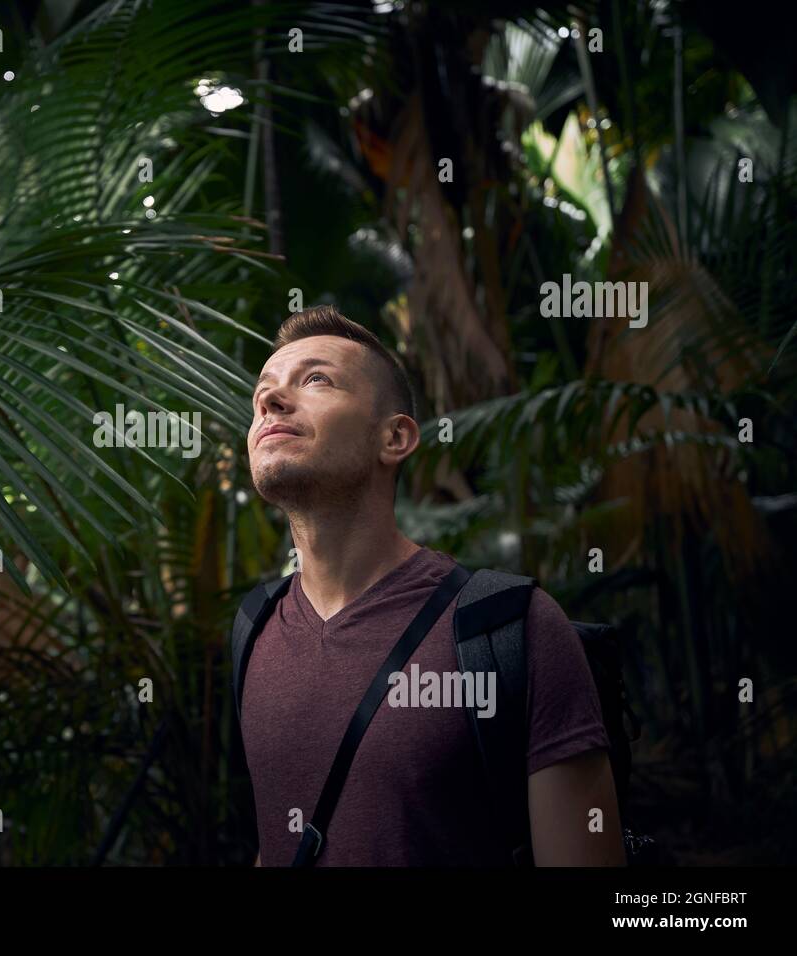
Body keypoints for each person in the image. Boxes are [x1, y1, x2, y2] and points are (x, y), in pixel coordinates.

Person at [243, 305, 625, 866]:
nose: (269, 402)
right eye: (262, 393)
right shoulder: (254, 628)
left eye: (316, 379)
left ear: (395, 437)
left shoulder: (509, 628)